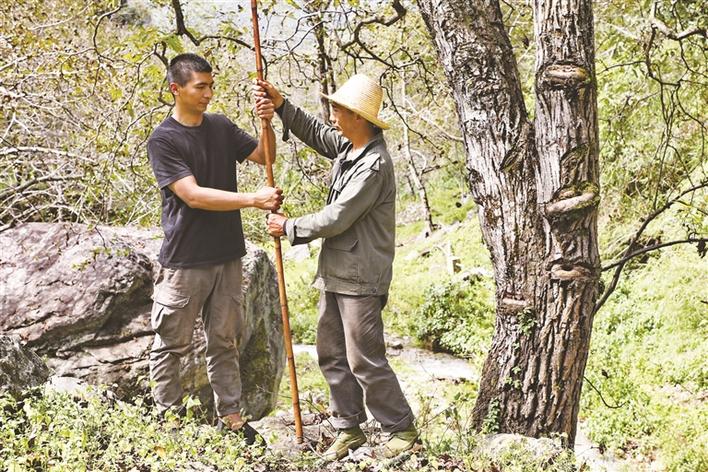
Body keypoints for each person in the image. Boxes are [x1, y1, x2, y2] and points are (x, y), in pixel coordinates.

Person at [257, 74, 418, 460]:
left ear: (359, 117)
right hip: (336, 271)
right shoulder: (350, 147)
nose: (332, 115)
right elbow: (316, 133)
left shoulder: (373, 165)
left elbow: (339, 216)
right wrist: (281, 106)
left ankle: (401, 428)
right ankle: (349, 428)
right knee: (330, 352)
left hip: (361, 276)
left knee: (364, 358)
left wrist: (289, 227)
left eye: (339, 110)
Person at [147, 53, 282, 444]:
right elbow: (192, 195)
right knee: (171, 344)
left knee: (224, 341)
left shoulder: (221, 126)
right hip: (186, 260)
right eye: (200, 87)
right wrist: (253, 200)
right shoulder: (163, 140)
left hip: (227, 256)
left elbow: (265, 156)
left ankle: (232, 419)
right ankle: (168, 419)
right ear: (176, 89)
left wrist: (268, 121)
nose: (208, 94)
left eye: (211, 86)